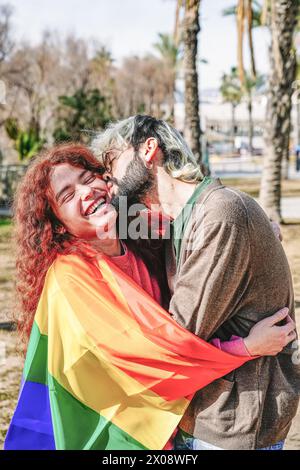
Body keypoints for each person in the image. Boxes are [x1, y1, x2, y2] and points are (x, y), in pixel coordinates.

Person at [4, 144, 293, 450]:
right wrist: (246, 347)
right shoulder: (70, 279)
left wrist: (256, 231)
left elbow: (194, 220)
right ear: (59, 226)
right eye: (67, 195)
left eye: (89, 178)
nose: (86, 192)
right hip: (117, 439)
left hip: (165, 430)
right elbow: (152, 360)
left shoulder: (139, 245)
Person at [91, 115, 300, 450]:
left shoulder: (221, 213)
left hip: (234, 423)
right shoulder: (184, 220)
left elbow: (179, 335)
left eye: (112, 160)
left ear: (148, 149)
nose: (107, 175)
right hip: (205, 415)